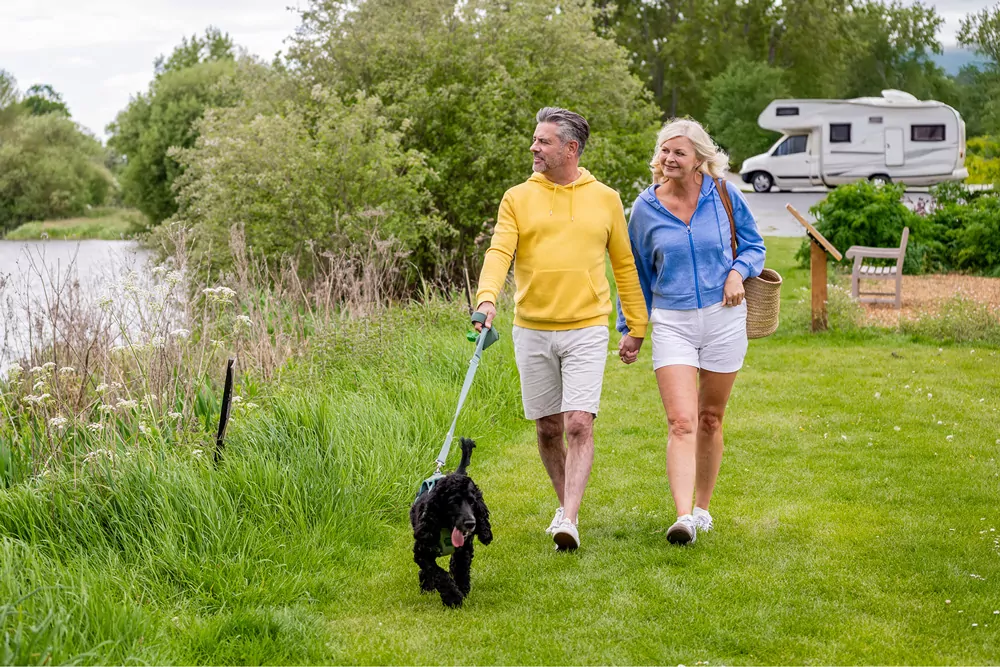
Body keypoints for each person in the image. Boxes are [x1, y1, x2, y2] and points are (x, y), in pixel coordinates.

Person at [473, 107, 647, 551]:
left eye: (543, 141)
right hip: (532, 327)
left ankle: (569, 520)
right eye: (535, 140)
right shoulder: (516, 197)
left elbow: (624, 265)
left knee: (578, 422)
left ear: (570, 149)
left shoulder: (605, 198)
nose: (533, 147)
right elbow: (499, 252)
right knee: (548, 427)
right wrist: (487, 298)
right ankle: (564, 504)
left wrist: (637, 324)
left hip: (587, 326)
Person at [616, 118, 765, 545]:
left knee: (710, 419)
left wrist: (738, 272)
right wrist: (632, 328)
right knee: (682, 422)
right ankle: (682, 518)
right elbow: (637, 273)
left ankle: (703, 508)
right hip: (672, 322)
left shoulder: (723, 194)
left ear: (700, 157)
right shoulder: (645, 208)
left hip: (723, 318)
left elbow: (754, 245)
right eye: (664, 150)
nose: (669, 158)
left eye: (679, 152)